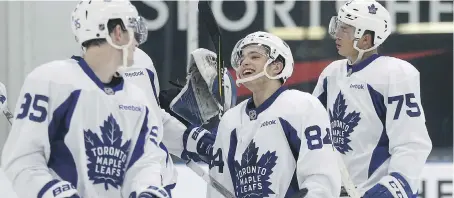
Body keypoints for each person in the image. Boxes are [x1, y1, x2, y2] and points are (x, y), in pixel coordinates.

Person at [1, 1, 170, 198]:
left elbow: (145, 162)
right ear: (116, 32)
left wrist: (148, 190)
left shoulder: (137, 100)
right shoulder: (52, 81)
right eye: (133, 28)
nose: (138, 41)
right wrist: (56, 193)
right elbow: (22, 160)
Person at [312, 0, 432, 197]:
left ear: (365, 39)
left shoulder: (395, 74)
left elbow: (412, 142)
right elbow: (312, 131)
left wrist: (395, 187)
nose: (336, 34)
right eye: (337, 26)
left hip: (379, 190)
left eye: (345, 29)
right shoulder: (331, 74)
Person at [206, 31, 342, 198]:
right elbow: (219, 189)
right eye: (241, 59)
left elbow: (322, 178)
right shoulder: (230, 121)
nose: (244, 62)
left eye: (254, 56)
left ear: (277, 66)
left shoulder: (302, 106)